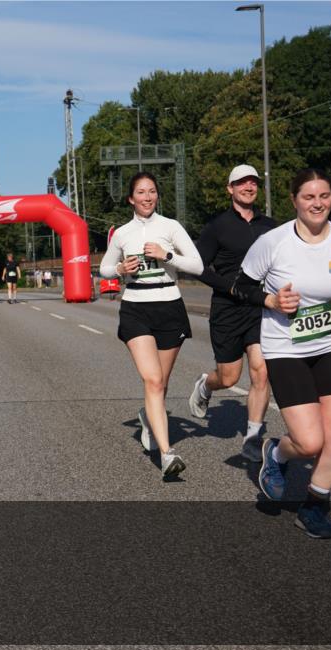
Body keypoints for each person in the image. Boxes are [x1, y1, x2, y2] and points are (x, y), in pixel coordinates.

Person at [243, 169, 331, 539]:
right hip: (286, 349)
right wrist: (271, 299)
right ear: (294, 200)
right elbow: (240, 285)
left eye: (325, 196)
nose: (318, 203)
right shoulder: (273, 243)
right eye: (309, 197)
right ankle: (278, 454)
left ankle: (315, 505)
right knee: (310, 442)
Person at [99, 171, 203, 478]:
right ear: (131, 198)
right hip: (136, 309)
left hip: (169, 307)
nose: (147, 197)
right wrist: (119, 268)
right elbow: (105, 267)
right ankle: (168, 454)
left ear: (157, 196)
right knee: (153, 381)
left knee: (161, 382)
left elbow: (197, 264)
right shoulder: (122, 234)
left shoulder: (170, 227)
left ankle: (148, 416)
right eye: (141, 193)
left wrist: (166, 255)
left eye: (152, 192)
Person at [188, 165, 278, 462]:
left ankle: (253, 437)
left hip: (259, 307)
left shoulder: (272, 227)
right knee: (229, 377)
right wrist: (229, 287)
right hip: (228, 308)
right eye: (241, 183)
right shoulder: (218, 226)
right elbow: (199, 268)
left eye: (252, 182)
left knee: (261, 372)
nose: (248, 187)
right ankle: (206, 384)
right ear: (230, 188)